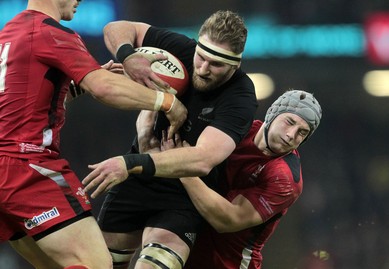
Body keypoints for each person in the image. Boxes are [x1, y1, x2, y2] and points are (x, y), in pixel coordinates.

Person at [0, 0, 188, 268]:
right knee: (97, 264)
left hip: (5, 169)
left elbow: (18, 102)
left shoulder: (8, 33)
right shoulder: (51, 32)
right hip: (27, 168)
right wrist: (166, 102)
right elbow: (105, 88)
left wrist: (74, 88)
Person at [82, 10, 258, 269]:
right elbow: (117, 27)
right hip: (137, 183)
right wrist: (128, 56)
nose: (203, 69)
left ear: (236, 64)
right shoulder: (181, 49)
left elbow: (203, 159)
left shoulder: (241, 98)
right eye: (201, 57)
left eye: (216, 64)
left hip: (184, 194)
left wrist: (131, 162)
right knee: (100, 265)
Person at [176, 90, 322, 269]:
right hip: (185, 252)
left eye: (302, 132)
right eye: (289, 122)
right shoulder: (238, 130)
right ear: (272, 114)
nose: (291, 135)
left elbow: (227, 220)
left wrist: (182, 168)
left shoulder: (285, 178)